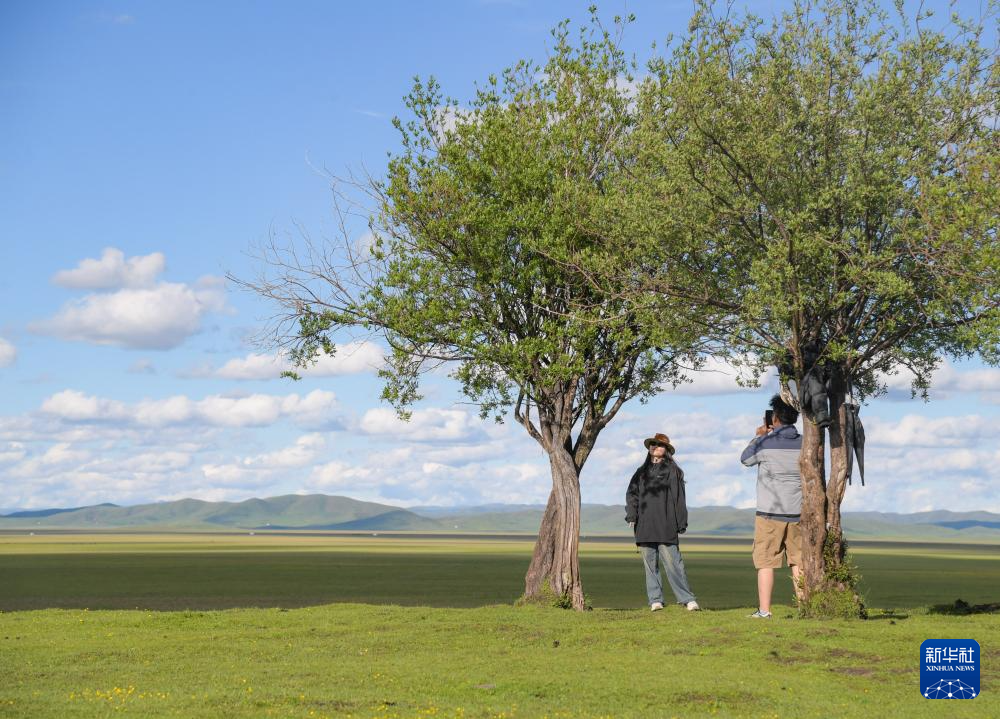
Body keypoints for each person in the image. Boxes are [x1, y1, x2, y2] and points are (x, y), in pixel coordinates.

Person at [740, 394, 804, 618]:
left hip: (769, 513)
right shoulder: (805, 442)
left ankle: (765, 611)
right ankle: (804, 608)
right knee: (799, 561)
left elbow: (745, 459)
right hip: (799, 511)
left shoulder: (765, 442)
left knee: (766, 562)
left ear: (774, 418)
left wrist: (758, 436)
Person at [625, 432, 700, 612]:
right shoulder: (640, 472)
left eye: (659, 445)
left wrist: (681, 522)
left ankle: (687, 599)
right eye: (653, 444)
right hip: (644, 525)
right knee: (650, 565)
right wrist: (631, 515)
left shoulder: (673, 471)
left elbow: (679, 498)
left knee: (674, 564)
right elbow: (631, 494)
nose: (655, 447)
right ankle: (655, 600)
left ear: (666, 450)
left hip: (666, 524)